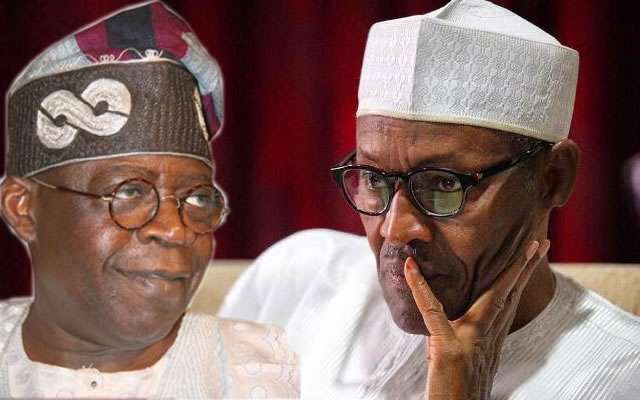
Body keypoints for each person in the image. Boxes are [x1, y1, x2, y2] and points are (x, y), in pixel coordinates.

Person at [220, 0, 640, 399]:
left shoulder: (623, 375)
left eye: (443, 185)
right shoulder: (301, 277)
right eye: (374, 179)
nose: (394, 229)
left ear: (553, 179)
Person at [0, 2, 299, 398]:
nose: (175, 230)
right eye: (129, 192)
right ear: (22, 208)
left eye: (197, 198)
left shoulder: (278, 373)